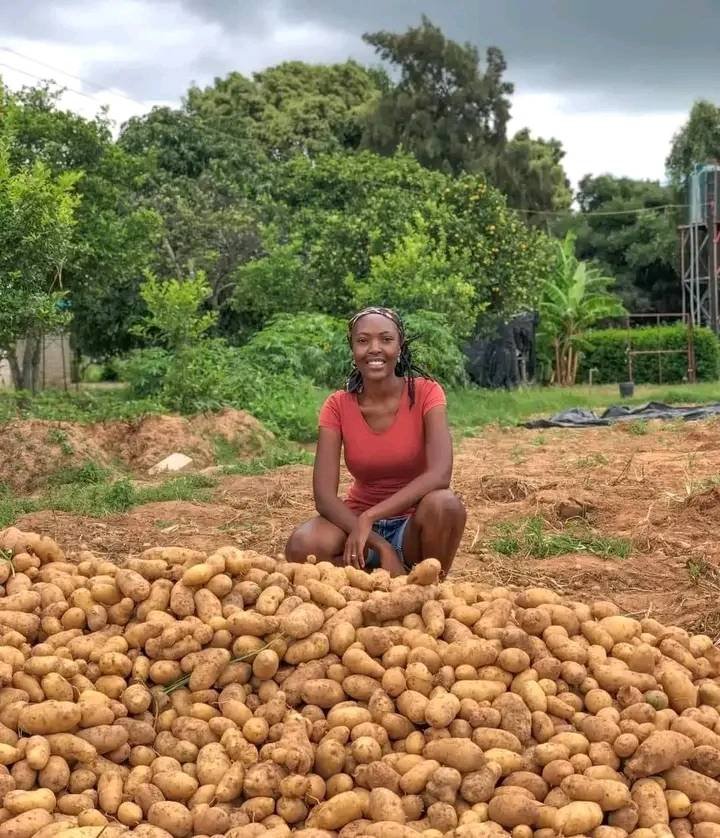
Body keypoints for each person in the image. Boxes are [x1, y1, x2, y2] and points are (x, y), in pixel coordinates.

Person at [284, 306, 466, 577]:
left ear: (400, 346)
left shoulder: (427, 393)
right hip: (357, 526)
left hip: (413, 526)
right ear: (353, 349)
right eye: (363, 340)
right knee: (302, 546)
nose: (374, 348)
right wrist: (376, 540)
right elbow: (324, 497)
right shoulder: (337, 405)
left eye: (386, 339)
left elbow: (440, 474)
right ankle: (381, 571)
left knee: (446, 505)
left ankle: (428, 583)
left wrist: (372, 516)